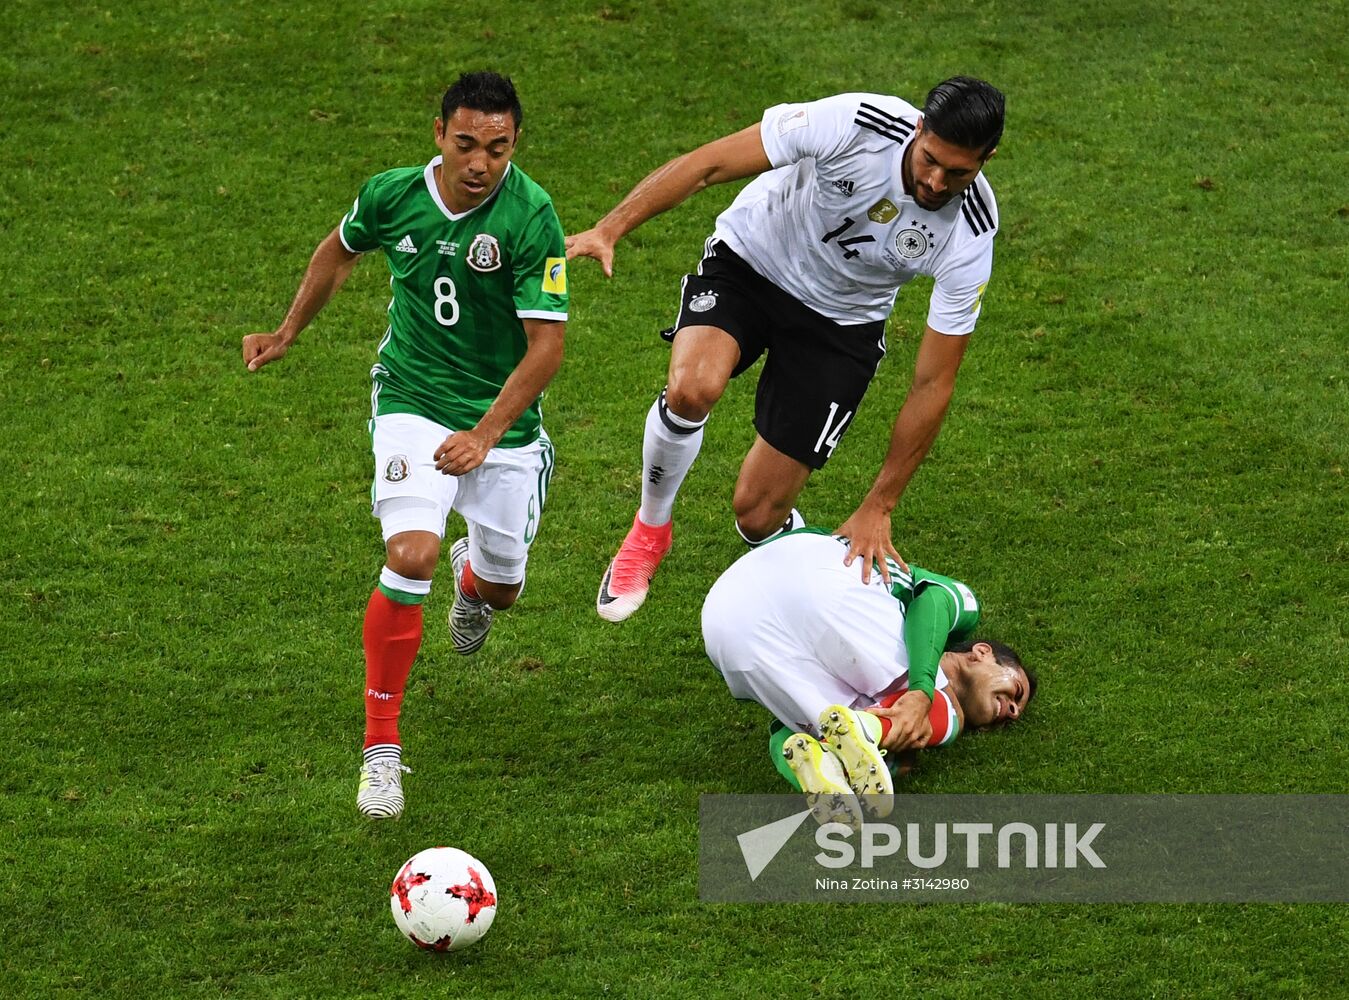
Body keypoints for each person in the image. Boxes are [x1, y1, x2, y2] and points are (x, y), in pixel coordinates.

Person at [242, 72, 568, 820]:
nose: (480, 163)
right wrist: (289, 330)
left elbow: (545, 347)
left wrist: (485, 436)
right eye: (466, 144)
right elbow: (339, 249)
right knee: (409, 554)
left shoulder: (532, 217)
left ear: (514, 143)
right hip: (413, 400)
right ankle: (381, 752)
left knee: (503, 590)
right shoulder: (392, 194)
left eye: (497, 147)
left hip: (502, 426)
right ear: (438, 135)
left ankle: (473, 583)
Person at [567, 78, 1005, 623]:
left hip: (841, 323)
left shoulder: (970, 232)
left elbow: (933, 382)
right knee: (690, 388)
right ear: (918, 128)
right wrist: (610, 227)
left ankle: (805, 577)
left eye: (958, 173)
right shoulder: (858, 123)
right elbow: (709, 164)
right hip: (752, 260)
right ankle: (649, 531)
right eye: (931, 160)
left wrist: (879, 505)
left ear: (986, 159)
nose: (936, 181)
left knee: (756, 515)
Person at [702, 529, 1034, 825]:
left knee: (808, 731)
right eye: (1017, 690)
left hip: (724, 627)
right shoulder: (964, 614)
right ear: (981, 652)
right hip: (814, 575)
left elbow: (780, 731)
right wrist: (921, 691)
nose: (1015, 710)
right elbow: (934, 599)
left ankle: (830, 771)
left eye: (1016, 710)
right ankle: (868, 729)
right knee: (942, 713)